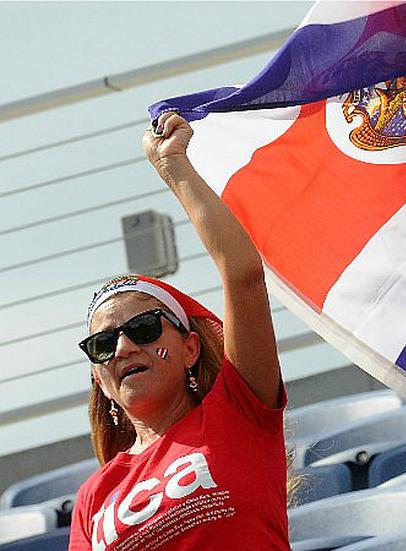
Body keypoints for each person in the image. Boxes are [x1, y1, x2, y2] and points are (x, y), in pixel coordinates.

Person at [69, 112, 289, 550]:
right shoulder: (93, 498)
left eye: (145, 328)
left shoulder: (238, 411)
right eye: (102, 344)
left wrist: (174, 166)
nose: (124, 347)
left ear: (190, 348)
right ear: (100, 379)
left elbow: (243, 274)